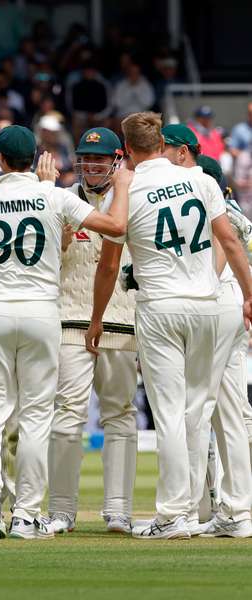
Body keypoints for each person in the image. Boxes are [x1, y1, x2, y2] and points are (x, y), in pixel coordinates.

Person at [88, 112, 252, 539]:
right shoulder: (201, 179)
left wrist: (97, 318)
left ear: (127, 149)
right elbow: (230, 241)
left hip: (160, 307)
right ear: (161, 143)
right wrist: (250, 296)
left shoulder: (126, 190)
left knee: (170, 415)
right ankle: (219, 511)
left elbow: (108, 267)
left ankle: (174, 514)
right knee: (200, 412)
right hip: (208, 304)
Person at [0, 125, 128, 540]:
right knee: (37, 417)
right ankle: (25, 516)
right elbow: (114, 225)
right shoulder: (54, 195)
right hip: (43, 313)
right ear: (36, 158)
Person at [155, 126, 252, 537]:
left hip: (215, 303)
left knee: (194, 408)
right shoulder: (241, 215)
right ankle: (237, 510)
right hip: (237, 311)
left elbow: (216, 259)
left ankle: (184, 510)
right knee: (232, 414)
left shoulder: (208, 206)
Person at [48, 128, 138, 535]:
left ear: (116, 160)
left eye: (100, 159)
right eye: (86, 159)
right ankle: (62, 510)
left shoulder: (132, 197)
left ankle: (118, 510)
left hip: (119, 319)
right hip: (71, 318)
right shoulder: (62, 198)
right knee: (67, 416)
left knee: (120, 414)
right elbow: (42, 263)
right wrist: (60, 241)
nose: (91, 166)